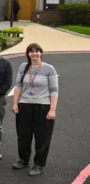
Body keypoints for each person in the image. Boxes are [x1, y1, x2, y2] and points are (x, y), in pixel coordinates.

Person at [12, 43, 59, 176]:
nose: (34, 54)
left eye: (37, 51)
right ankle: (23, 160)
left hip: (43, 107)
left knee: (42, 138)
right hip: (24, 106)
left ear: (41, 53)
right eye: (31, 52)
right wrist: (15, 103)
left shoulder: (49, 69)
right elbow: (18, 86)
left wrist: (52, 109)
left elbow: (54, 91)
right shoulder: (23, 67)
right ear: (28, 54)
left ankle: (39, 164)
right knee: (23, 136)